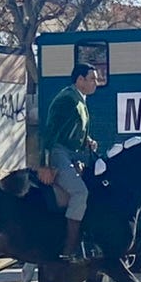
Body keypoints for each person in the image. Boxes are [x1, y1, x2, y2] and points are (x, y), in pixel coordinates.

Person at [41, 62, 99, 264]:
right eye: (93, 79)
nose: (96, 83)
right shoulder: (67, 100)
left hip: (74, 154)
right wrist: (45, 164)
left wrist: (87, 141)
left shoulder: (80, 99)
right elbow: (50, 133)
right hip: (59, 153)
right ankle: (69, 246)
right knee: (80, 192)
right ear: (80, 80)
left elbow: (73, 130)